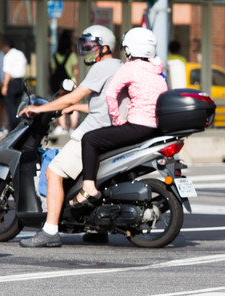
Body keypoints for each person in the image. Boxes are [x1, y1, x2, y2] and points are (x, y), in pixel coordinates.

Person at [18, 25, 122, 248]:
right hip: (109, 130)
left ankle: (50, 230)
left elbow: (71, 97)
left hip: (93, 133)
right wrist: (76, 109)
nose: (86, 50)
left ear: (104, 47)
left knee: (53, 171)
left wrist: (40, 109)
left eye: (90, 46)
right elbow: (103, 105)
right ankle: (97, 227)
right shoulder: (118, 66)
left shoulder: (101, 67)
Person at [69, 27, 167, 207]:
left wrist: (117, 120)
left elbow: (110, 94)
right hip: (156, 128)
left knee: (90, 139)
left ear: (129, 49)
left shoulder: (129, 68)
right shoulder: (157, 69)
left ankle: (89, 185)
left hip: (138, 126)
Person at [50, 29, 79, 135]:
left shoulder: (56, 55)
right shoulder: (71, 55)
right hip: (70, 84)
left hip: (59, 85)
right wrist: (78, 83)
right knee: (73, 104)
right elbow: (75, 70)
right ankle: (72, 127)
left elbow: (52, 70)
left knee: (60, 104)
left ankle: (62, 127)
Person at [1, 36, 27, 130]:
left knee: (11, 106)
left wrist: (4, 86)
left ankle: (13, 127)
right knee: (18, 105)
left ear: (7, 46)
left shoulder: (8, 56)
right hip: (20, 81)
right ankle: (19, 125)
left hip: (12, 82)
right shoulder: (20, 54)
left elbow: (7, 73)